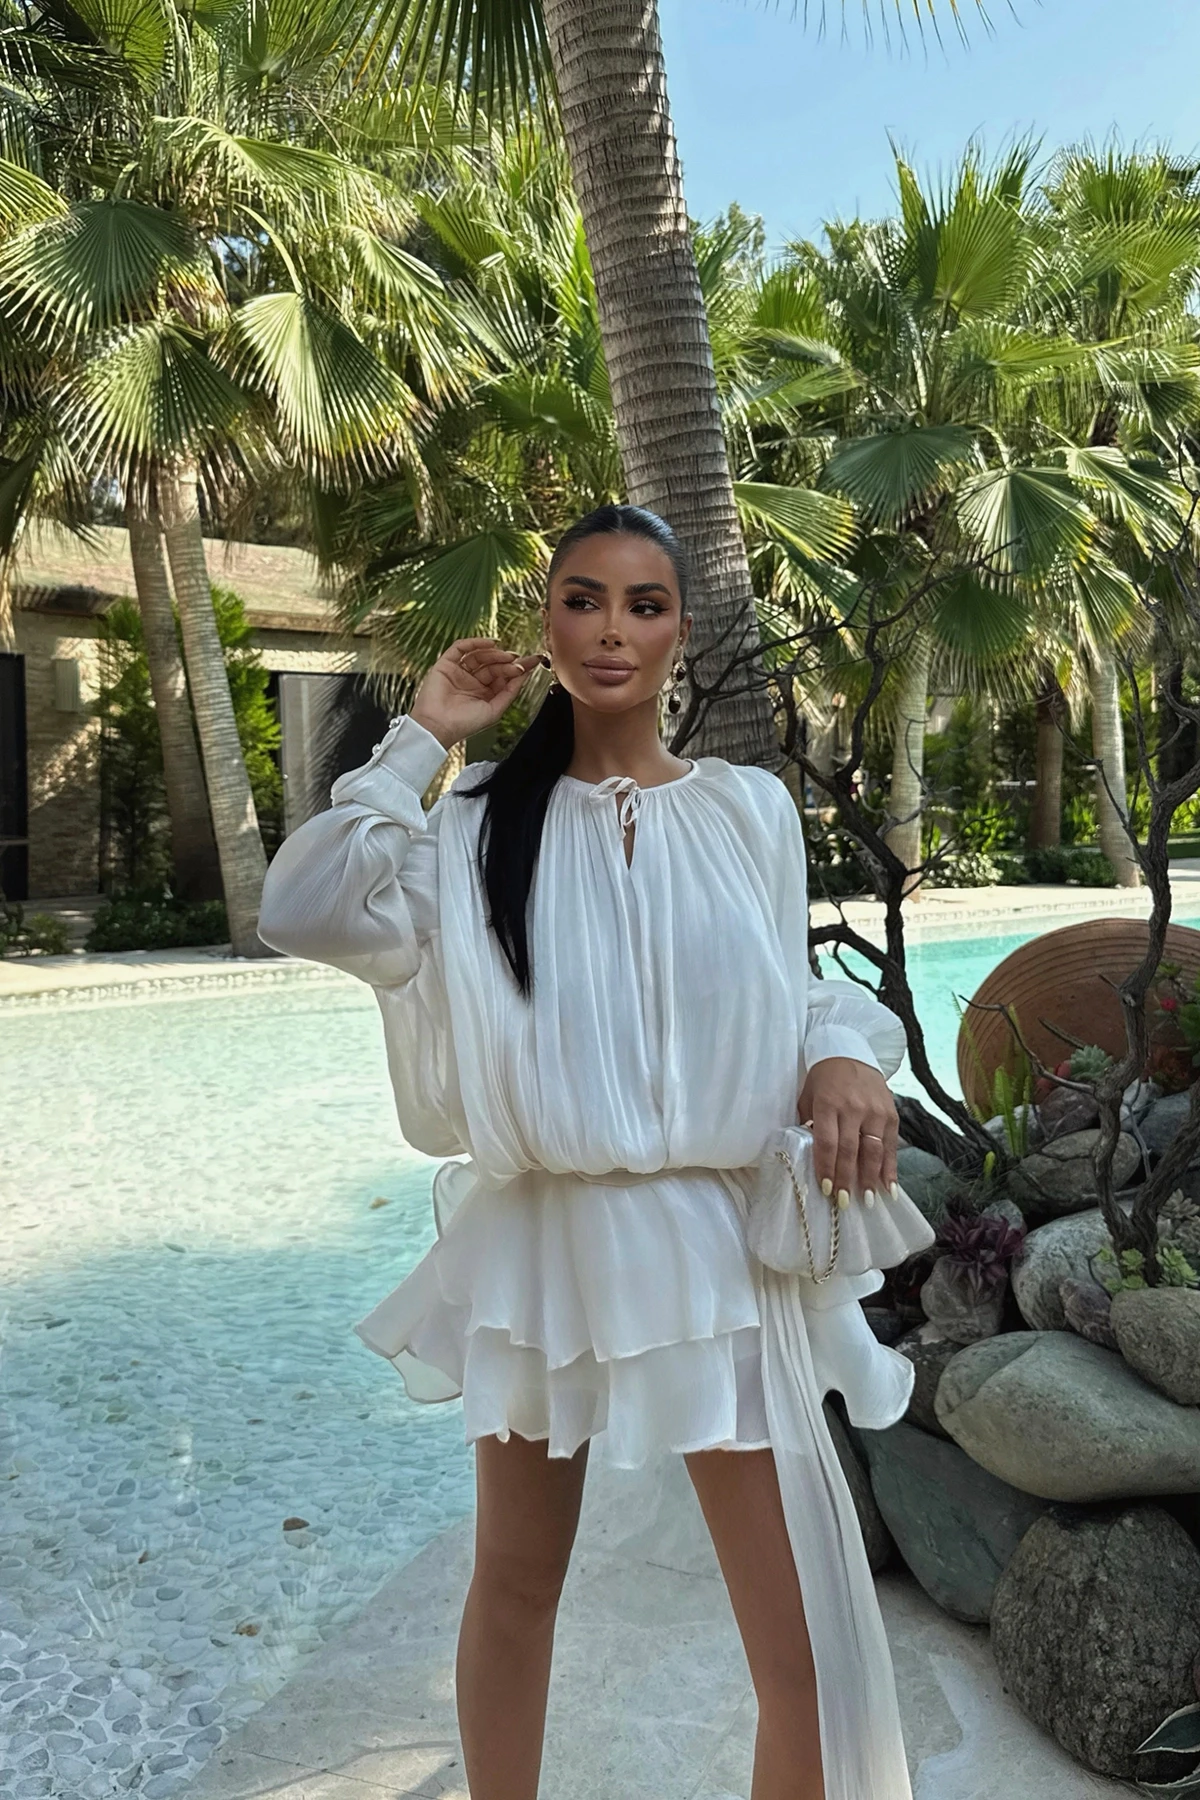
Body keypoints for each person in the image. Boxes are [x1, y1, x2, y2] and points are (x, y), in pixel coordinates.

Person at [257, 503, 916, 1800]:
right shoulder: (474, 821)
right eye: (583, 599)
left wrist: (844, 1051)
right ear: (547, 624)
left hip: (710, 1247)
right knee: (514, 1586)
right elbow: (306, 905)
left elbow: (782, 990)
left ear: (680, 632)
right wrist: (425, 734)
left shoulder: (747, 811)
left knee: (801, 1651)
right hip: (541, 1240)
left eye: (643, 604)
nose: (612, 630)